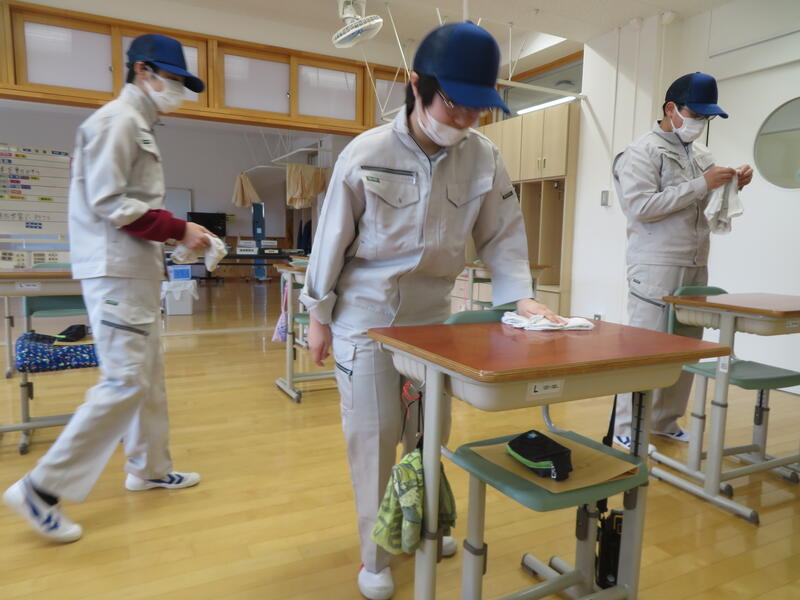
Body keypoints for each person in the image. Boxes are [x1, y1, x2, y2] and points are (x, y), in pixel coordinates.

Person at [300, 22, 561, 600]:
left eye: (477, 108)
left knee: (426, 436)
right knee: (374, 440)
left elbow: (503, 235)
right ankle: (375, 554)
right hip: (367, 321)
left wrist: (520, 297)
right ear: (417, 85)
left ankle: (425, 525)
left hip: (434, 324)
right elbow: (330, 242)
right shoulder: (366, 153)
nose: (464, 119)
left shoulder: (484, 157)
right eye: (453, 103)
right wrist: (317, 318)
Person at [3, 34, 215, 543]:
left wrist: (179, 237)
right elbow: (110, 202)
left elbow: (128, 206)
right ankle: (41, 489)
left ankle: (149, 468)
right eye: (173, 78)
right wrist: (180, 229)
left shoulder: (137, 123)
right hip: (116, 272)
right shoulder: (116, 121)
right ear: (143, 71)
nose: (178, 89)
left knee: (148, 375)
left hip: (132, 270)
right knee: (124, 381)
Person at [612, 72, 753, 449]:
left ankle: (663, 420)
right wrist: (703, 184)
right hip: (655, 264)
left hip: (695, 260)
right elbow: (640, 207)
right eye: (695, 114)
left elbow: (701, 203)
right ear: (671, 109)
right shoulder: (640, 152)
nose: (700, 122)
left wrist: (731, 184)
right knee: (645, 347)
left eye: (706, 117)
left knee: (685, 346)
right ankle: (626, 427)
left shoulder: (701, 155)